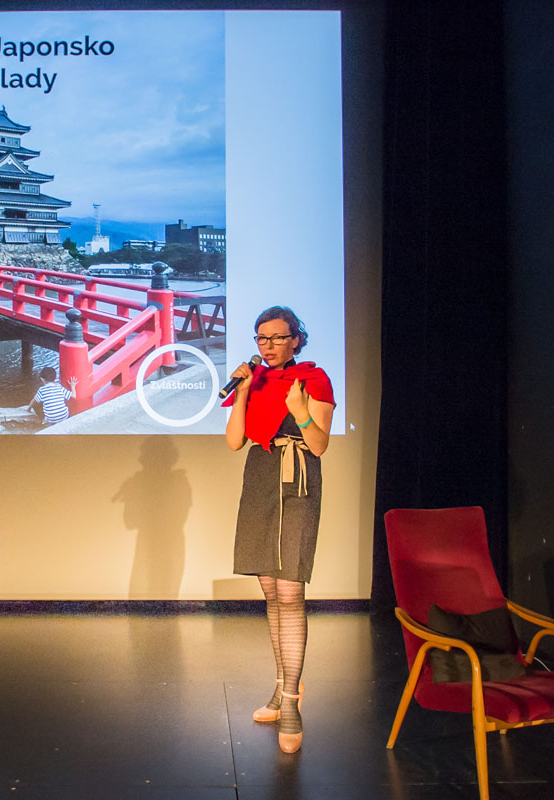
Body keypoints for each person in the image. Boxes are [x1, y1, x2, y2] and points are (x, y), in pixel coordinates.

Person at [222, 306, 335, 754]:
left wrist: (300, 411)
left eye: (277, 337)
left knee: (290, 591)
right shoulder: (254, 380)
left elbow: (319, 445)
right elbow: (235, 441)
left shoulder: (313, 379)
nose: (268, 346)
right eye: (261, 338)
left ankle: (291, 702)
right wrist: (243, 393)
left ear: (296, 340)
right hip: (260, 477)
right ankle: (282, 686)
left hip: (298, 477)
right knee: (270, 589)